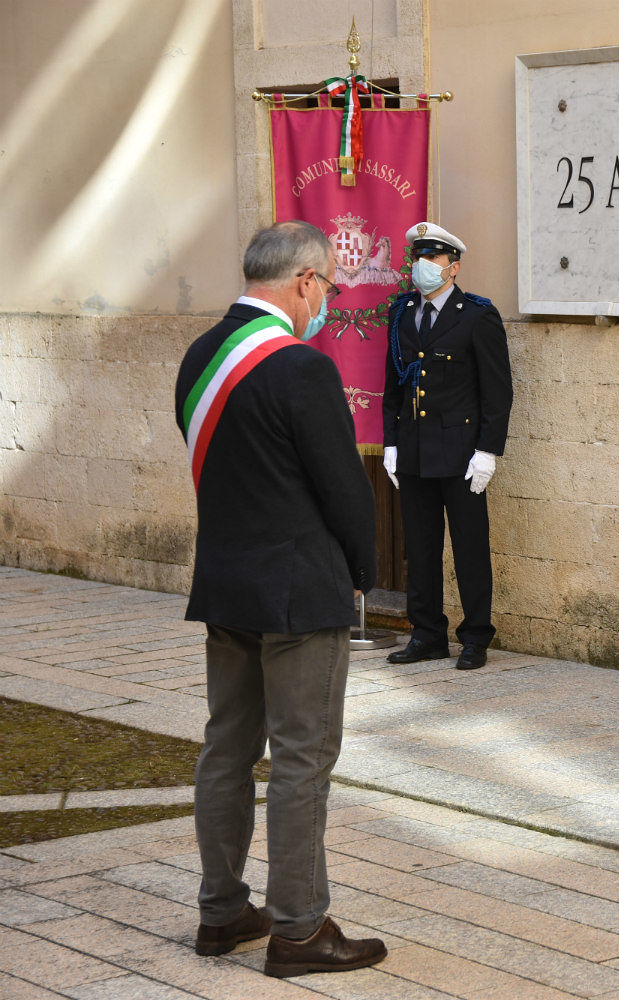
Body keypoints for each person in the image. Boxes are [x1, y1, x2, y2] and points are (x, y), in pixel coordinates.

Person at [175, 220, 385, 976]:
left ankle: (222, 911)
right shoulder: (300, 367)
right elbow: (343, 491)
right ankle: (300, 930)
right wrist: (361, 570)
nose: (326, 301)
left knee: (226, 748)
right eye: (327, 286)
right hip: (299, 593)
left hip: (226, 587)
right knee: (302, 759)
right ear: (303, 282)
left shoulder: (201, 358)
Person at [381, 222, 513, 670]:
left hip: (461, 453)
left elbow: (498, 390)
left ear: (453, 268)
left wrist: (487, 451)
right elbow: (393, 387)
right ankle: (427, 634)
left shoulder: (477, 315)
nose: (421, 266)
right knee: (419, 548)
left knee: (469, 547)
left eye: (432, 259)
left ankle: (475, 637)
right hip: (416, 450)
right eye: (417, 258)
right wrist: (392, 443)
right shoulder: (402, 313)